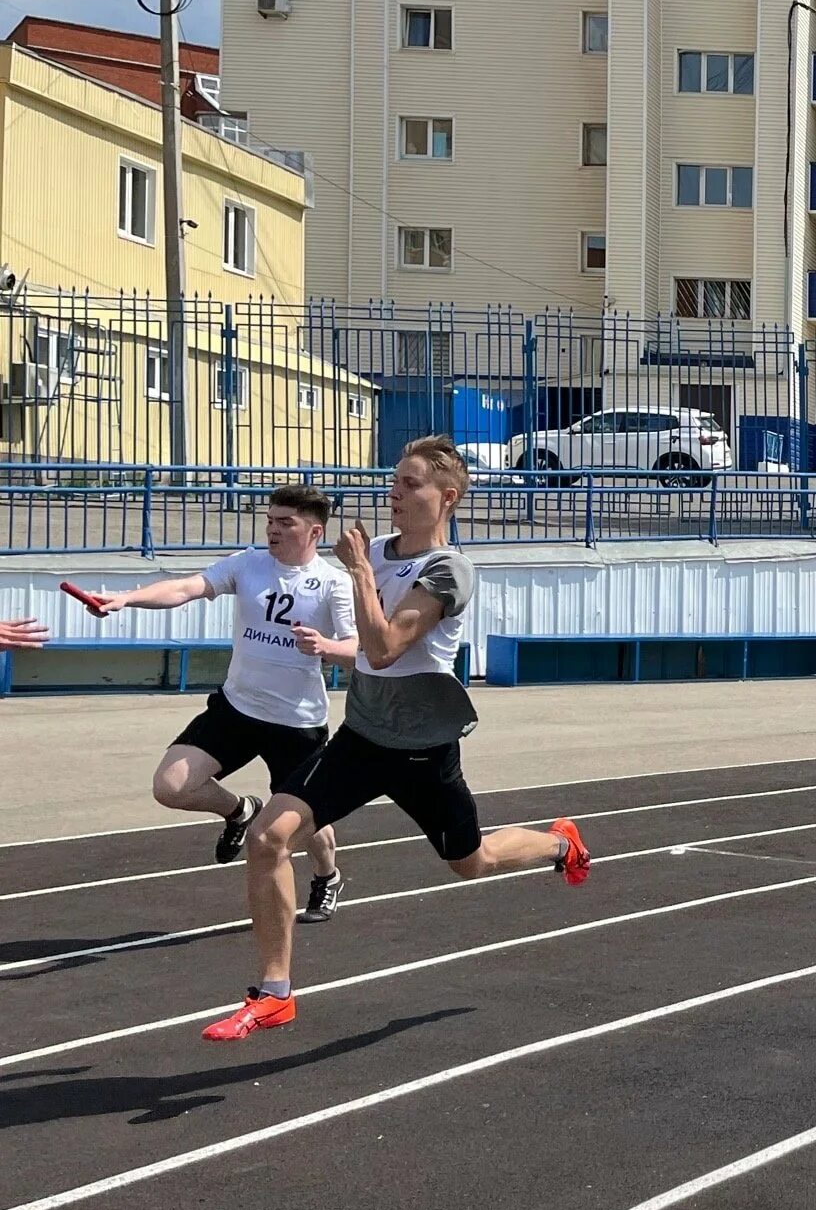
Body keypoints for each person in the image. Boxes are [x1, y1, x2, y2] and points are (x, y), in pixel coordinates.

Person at [212, 437, 591, 1042]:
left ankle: (557, 844)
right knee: (267, 837)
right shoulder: (374, 553)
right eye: (394, 479)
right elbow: (347, 634)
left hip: (421, 751)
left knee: (472, 863)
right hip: (361, 739)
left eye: (411, 483)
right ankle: (275, 992)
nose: (394, 491)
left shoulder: (449, 571)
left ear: (449, 497)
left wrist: (360, 573)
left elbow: (384, 649)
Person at [89, 486, 359, 916]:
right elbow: (186, 588)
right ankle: (239, 810)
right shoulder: (247, 563)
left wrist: (326, 645)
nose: (273, 529)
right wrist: (126, 599)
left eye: (285, 522)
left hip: (296, 722)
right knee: (171, 786)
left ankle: (327, 877)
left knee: (309, 827)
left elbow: (357, 647)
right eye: (270, 520)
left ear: (314, 531)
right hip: (236, 709)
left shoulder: (333, 583)